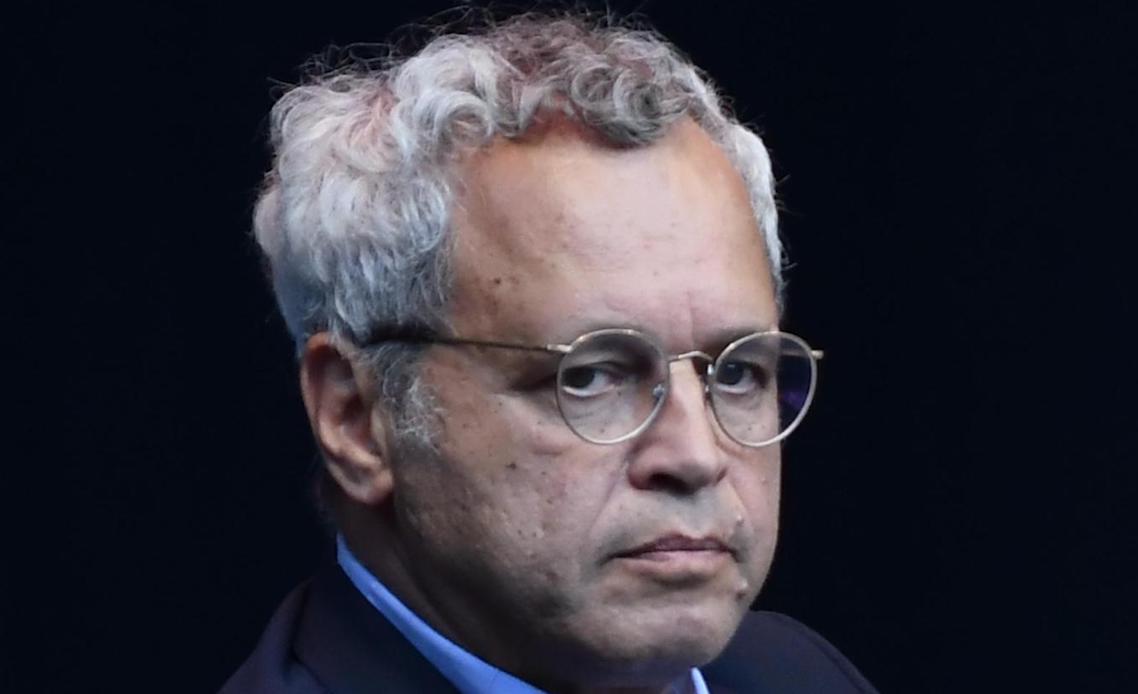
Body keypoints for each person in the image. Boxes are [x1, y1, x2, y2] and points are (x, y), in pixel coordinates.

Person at [223, 13, 877, 694]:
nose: (695, 457)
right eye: (590, 375)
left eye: (737, 372)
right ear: (356, 417)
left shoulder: (796, 675)